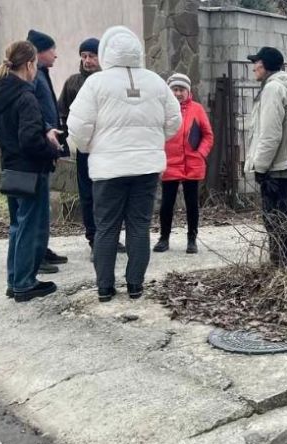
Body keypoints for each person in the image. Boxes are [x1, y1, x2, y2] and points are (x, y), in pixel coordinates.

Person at [67, 26, 181, 302]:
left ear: (106, 51)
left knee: (106, 227)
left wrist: (89, 148)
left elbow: (77, 126)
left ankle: (105, 288)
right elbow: (174, 122)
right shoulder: (155, 82)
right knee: (139, 226)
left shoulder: (96, 83)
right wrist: (152, 141)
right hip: (146, 168)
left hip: (108, 170)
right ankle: (135, 285)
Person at [0, 41, 62, 302]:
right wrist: (51, 144)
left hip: (12, 168)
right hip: (31, 171)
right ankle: (24, 283)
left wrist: (13, 147)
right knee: (30, 225)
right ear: (29, 64)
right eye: (35, 66)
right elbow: (30, 139)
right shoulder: (25, 95)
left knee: (18, 225)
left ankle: (15, 280)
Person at [58, 37, 126, 253]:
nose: (87, 61)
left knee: (111, 194)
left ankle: (111, 236)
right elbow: (63, 112)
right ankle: (94, 239)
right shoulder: (73, 83)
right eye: (84, 56)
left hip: (109, 149)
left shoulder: (113, 81)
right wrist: (71, 138)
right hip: (85, 150)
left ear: (101, 57)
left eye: (92, 56)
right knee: (88, 195)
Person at [244, 47, 287, 268]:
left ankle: (282, 265)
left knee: (275, 218)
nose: (254, 68)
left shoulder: (272, 89)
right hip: (284, 163)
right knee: (286, 215)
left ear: (266, 65)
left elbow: (270, 134)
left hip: (276, 165)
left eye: (257, 63)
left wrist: (260, 166)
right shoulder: (285, 88)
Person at [154, 73, 214, 254]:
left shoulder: (197, 109)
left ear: (188, 91)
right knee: (167, 204)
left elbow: (208, 135)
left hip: (191, 164)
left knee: (192, 204)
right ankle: (164, 238)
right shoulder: (163, 109)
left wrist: (200, 154)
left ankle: (192, 239)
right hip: (170, 163)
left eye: (181, 90)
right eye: (175, 89)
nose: (178, 93)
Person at [26, 29, 68, 271]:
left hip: (47, 146)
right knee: (38, 205)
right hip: (39, 148)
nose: (56, 54)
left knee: (43, 203)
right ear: (39, 52)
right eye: (52, 49)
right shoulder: (32, 76)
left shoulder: (42, 73)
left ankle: (42, 248)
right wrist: (46, 130)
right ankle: (36, 253)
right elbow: (31, 110)